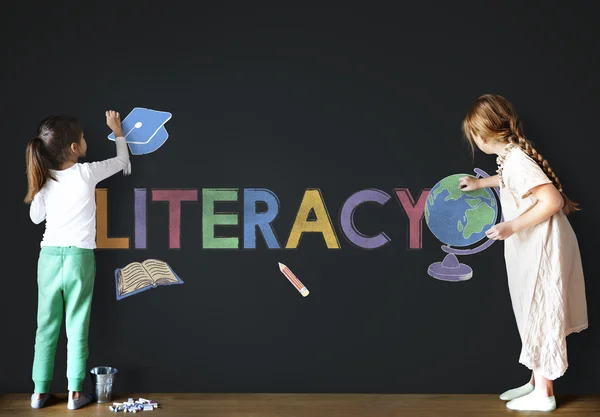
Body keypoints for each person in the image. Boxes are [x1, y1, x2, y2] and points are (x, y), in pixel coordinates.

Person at [458, 94, 588, 412]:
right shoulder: (512, 158)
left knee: (542, 311)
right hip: (536, 245)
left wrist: (511, 226)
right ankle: (535, 380)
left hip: (544, 245)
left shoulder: (517, 160)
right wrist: (481, 184)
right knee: (532, 309)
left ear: (483, 134)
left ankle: (544, 392)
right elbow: (511, 181)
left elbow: (552, 201)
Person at [25, 111, 130, 410]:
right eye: (82, 138)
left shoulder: (45, 180)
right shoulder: (86, 173)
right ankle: (74, 394)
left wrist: (39, 189)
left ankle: (39, 393)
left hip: (48, 258)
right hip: (79, 258)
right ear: (74, 149)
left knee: (45, 327)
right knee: (77, 325)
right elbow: (122, 163)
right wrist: (117, 132)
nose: (86, 141)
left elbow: (36, 219)